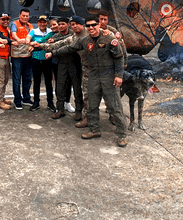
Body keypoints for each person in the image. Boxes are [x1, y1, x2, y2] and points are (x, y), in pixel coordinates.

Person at [47, 16, 128, 147]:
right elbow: (69, 48)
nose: (91, 28)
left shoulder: (110, 39)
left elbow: (119, 57)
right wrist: (53, 52)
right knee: (92, 105)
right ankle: (94, 130)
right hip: (93, 75)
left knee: (114, 106)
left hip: (108, 75)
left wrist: (119, 75)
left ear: (98, 25)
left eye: (93, 25)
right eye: (88, 26)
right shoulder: (85, 41)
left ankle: (122, 134)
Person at [33, 17, 82, 119]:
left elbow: (64, 43)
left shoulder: (74, 34)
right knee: (60, 86)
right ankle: (60, 109)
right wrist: (36, 47)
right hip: (62, 63)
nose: (60, 26)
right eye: (59, 24)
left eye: (63, 24)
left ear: (68, 24)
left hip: (74, 63)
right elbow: (50, 45)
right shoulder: (55, 35)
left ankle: (79, 111)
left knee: (76, 87)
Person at [28, 15, 55, 111]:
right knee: (36, 82)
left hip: (47, 60)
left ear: (46, 23)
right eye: (40, 22)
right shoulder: (34, 31)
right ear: (38, 23)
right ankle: (36, 103)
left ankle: (50, 103)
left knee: (48, 82)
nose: (42, 24)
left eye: (44, 22)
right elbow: (28, 39)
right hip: (36, 59)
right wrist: (31, 43)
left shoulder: (51, 32)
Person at [10, 8, 34, 110]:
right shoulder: (14, 24)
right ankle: (17, 100)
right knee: (17, 79)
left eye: (27, 16)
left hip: (27, 56)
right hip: (17, 56)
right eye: (23, 15)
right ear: (19, 15)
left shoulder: (30, 25)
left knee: (27, 79)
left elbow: (33, 35)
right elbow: (14, 35)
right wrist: (21, 40)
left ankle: (26, 98)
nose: (25, 17)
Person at [0, 13, 17, 110]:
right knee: (0, 80)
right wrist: (13, 42)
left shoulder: (7, 30)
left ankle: (1, 98)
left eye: (7, 19)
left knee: (5, 79)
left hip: (6, 57)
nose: (6, 21)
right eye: (3, 19)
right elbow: (4, 39)